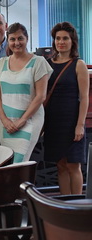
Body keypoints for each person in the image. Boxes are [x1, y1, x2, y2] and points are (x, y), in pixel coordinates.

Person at [0, 23, 52, 163]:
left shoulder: (38, 62)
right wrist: (4, 120)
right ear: (8, 41)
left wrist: (22, 120)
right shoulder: (1, 63)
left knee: (19, 162)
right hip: (5, 124)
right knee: (8, 162)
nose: (17, 43)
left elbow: (41, 96)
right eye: (12, 39)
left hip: (29, 122)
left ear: (27, 39)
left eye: (20, 38)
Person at [44, 22, 89, 194]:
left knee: (73, 165)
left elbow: (84, 97)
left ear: (72, 41)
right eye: (58, 38)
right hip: (53, 122)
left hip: (72, 121)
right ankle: (63, 203)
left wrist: (80, 125)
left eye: (65, 38)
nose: (61, 42)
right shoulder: (46, 64)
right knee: (60, 165)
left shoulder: (78, 64)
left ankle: (76, 204)